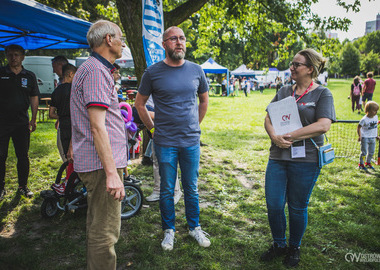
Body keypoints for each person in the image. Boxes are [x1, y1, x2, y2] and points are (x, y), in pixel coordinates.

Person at [135, 26, 210, 251]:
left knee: (192, 187)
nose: (179, 42)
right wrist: (152, 130)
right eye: (174, 39)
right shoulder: (152, 72)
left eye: (182, 38)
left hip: (190, 141)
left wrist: (194, 126)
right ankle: (169, 231)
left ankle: (194, 227)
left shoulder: (197, 70)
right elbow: (140, 104)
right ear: (164, 44)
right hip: (164, 141)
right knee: (167, 189)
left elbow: (204, 101)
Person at [261, 48, 335, 267]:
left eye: (297, 65)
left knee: (297, 206)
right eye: (292, 64)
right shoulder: (284, 90)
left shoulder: (322, 94)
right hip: (278, 156)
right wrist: (275, 136)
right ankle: (278, 244)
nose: (291, 67)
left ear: (310, 69)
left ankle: (294, 247)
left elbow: (323, 125)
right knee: (274, 205)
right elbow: (268, 118)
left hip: (306, 160)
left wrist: (290, 135)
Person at [70, 20, 127, 269]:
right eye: (121, 37)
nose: (123, 42)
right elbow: (97, 126)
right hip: (101, 167)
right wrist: (112, 174)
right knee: (105, 232)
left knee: (98, 225)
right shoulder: (95, 71)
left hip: (98, 164)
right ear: (108, 40)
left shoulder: (95, 68)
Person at [0, 44, 39, 200]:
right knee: (1, 156)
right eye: (10, 54)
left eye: (16, 54)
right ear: (6, 56)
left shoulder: (29, 75)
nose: (13, 57)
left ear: (23, 57)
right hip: (2, 122)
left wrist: (34, 119)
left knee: (22, 156)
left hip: (22, 122)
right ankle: (1, 188)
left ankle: (23, 186)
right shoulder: (1, 72)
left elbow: (34, 96)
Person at [49, 64, 77, 194]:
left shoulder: (57, 91)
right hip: (76, 123)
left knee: (67, 156)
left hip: (64, 124)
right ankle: (70, 184)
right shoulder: (75, 90)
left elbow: (51, 114)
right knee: (74, 156)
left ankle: (68, 181)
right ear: (70, 74)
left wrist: (61, 116)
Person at [357, 101, 379, 171]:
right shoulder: (364, 119)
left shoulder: (376, 117)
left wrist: (377, 135)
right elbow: (359, 127)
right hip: (365, 138)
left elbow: (375, 127)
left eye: (377, 110)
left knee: (371, 152)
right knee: (364, 152)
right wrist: (360, 136)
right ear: (368, 111)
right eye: (374, 110)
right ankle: (361, 164)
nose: (376, 112)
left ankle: (368, 162)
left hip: (373, 137)